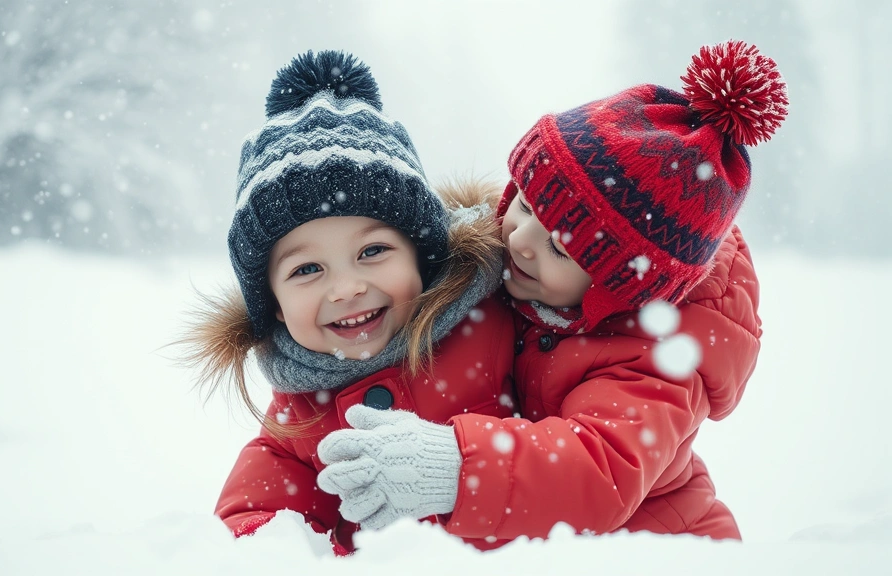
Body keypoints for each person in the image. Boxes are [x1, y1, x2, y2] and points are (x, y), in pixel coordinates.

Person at [316, 40, 788, 547]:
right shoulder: (514, 280)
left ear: (618, 289)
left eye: (560, 249)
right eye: (523, 203)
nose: (518, 240)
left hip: (659, 553)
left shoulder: (655, 362)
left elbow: (598, 468)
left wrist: (454, 465)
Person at [179, 50, 519, 554]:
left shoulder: (499, 322)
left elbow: (589, 444)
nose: (346, 289)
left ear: (421, 258)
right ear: (272, 303)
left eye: (373, 251)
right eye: (307, 270)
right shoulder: (297, 419)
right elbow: (255, 522)